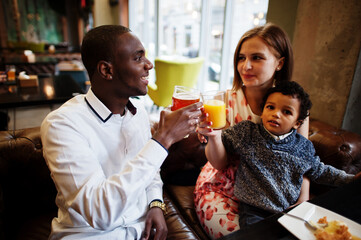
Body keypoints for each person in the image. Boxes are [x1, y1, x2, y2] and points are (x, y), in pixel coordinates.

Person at [40, 25, 202, 240]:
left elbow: (150, 171)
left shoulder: (139, 113)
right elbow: (100, 213)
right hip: (89, 235)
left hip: (140, 229)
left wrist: (155, 202)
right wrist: (162, 139)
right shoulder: (62, 125)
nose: (149, 65)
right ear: (107, 70)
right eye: (138, 58)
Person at [194, 23, 310, 239]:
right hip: (223, 188)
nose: (245, 66)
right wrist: (213, 136)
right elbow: (219, 163)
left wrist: (303, 199)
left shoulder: (295, 106)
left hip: (272, 190)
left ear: (279, 63)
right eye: (241, 58)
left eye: (257, 57)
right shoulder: (223, 102)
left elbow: (302, 160)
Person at [207, 81, 360, 228]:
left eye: (286, 112)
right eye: (270, 107)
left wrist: (350, 180)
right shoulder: (247, 132)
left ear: (297, 123)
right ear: (263, 111)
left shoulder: (303, 147)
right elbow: (221, 140)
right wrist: (212, 133)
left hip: (289, 209)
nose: (276, 114)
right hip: (253, 208)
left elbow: (320, 171)